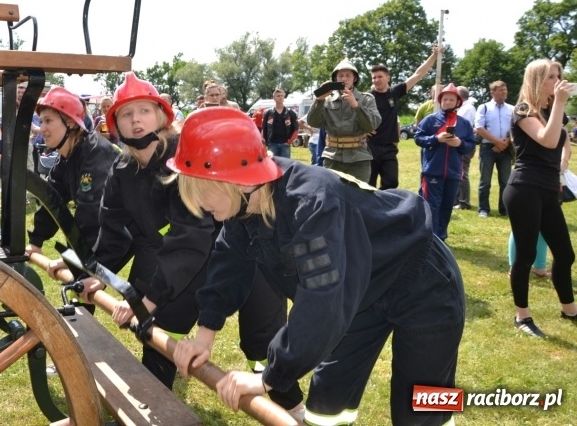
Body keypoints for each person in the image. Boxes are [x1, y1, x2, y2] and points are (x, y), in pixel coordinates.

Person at [169, 108, 465, 426]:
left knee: (421, 405)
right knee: (326, 406)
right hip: (361, 293)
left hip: (422, 281)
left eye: (201, 191)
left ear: (238, 182)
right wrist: (204, 337)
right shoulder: (246, 205)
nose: (198, 204)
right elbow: (227, 265)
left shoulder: (312, 205)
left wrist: (268, 378)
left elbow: (322, 298)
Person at [80, 75, 301, 417]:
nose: (136, 120)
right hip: (184, 264)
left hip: (240, 252)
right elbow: (113, 230)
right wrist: (97, 273)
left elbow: (190, 236)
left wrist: (149, 298)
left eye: (144, 111)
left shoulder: (183, 159)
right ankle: (153, 413)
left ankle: (294, 411)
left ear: (161, 116)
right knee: (159, 332)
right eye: (126, 114)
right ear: (115, 124)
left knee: (263, 342)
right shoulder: (122, 168)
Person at [504, 59, 577, 338]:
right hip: (524, 189)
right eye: (550, 77)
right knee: (526, 255)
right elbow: (546, 139)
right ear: (536, 80)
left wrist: (565, 158)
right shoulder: (523, 110)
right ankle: (522, 316)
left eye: (558, 76)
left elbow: (561, 137)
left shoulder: (551, 110)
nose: (557, 81)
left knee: (565, 254)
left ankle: (569, 309)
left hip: (547, 189)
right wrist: (560, 102)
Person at [28, 86, 120, 257]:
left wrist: (76, 258)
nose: (42, 128)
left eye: (48, 121)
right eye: (41, 122)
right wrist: (36, 241)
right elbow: (52, 200)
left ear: (70, 122)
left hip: (146, 234)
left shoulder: (96, 154)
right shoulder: (66, 157)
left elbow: (91, 213)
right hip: (119, 232)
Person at [368, 46, 440, 189]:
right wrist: (363, 130)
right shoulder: (367, 97)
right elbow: (355, 115)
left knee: (391, 182)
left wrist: (434, 56)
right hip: (370, 147)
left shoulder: (394, 92)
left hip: (389, 147)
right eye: (374, 77)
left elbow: (418, 75)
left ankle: (384, 202)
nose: (376, 80)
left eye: (380, 76)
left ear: (388, 78)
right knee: (368, 184)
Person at [414, 84, 476, 240]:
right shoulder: (430, 120)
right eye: (445, 99)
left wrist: (460, 143)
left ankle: (441, 238)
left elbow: (471, 145)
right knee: (431, 206)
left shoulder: (464, 123)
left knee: (447, 206)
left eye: (451, 99)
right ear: (440, 101)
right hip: (432, 171)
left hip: (453, 172)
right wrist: (436, 139)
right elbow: (418, 138)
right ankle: (430, 238)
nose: (447, 102)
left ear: (458, 102)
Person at [307, 59, 381, 182]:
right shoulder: (327, 99)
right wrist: (319, 100)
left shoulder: (366, 99)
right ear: (335, 78)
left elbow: (371, 126)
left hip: (358, 159)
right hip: (332, 158)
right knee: (332, 193)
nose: (344, 79)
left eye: (348, 75)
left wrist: (356, 105)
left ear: (354, 78)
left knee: (359, 193)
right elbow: (313, 122)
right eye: (340, 75)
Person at [475, 80, 514, 218]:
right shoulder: (484, 107)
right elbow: (479, 128)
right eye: (501, 90)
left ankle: (505, 209)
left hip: (506, 149)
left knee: (505, 181)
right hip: (487, 148)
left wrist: (506, 142)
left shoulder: (512, 109)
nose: (504, 92)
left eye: (505, 89)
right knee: (485, 181)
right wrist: (497, 142)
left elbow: (516, 128)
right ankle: (483, 209)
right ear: (493, 92)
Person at [454, 86, 477, 210]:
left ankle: (464, 202)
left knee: (462, 173)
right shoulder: (464, 108)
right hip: (460, 144)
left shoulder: (467, 109)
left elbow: (462, 129)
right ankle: (458, 200)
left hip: (464, 145)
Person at [261, 88, 298, 159]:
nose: (280, 97)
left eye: (282, 96)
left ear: (284, 97)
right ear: (274, 98)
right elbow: (264, 128)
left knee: (285, 164)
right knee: (272, 163)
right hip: (272, 143)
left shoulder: (290, 112)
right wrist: (264, 142)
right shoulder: (268, 112)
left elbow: (295, 128)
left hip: (285, 144)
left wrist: (290, 141)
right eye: (278, 96)